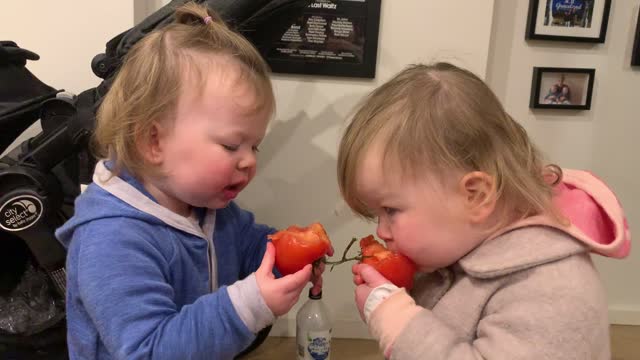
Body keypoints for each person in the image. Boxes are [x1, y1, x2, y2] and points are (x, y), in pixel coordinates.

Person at [55, 3, 330, 359]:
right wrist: (247, 306)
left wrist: (290, 257)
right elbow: (148, 350)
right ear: (153, 142)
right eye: (232, 145)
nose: (248, 160)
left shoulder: (212, 209)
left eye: (255, 146)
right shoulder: (112, 240)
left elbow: (250, 247)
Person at [337, 62, 630, 359]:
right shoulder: (456, 248)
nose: (381, 231)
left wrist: (400, 326)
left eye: (390, 210)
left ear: (475, 196)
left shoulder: (555, 291)